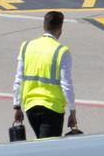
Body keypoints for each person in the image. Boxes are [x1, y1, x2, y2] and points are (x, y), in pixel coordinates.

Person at [12, 10, 75, 138]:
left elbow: (18, 79)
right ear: (60, 29)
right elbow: (66, 85)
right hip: (53, 109)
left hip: (30, 108)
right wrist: (72, 111)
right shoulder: (62, 51)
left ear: (44, 26)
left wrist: (17, 106)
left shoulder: (26, 46)